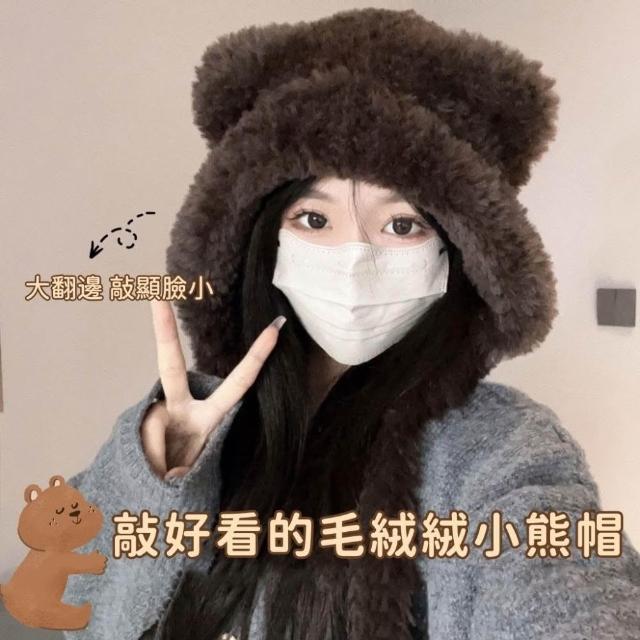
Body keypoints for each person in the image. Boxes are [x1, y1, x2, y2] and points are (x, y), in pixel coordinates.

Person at [62, 7, 640, 640]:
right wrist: (157, 483)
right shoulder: (186, 428)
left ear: (454, 255)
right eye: (314, 219)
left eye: (402, 224)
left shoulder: (501, 449)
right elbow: (73, 609)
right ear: (261, 239)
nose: (354, 258)